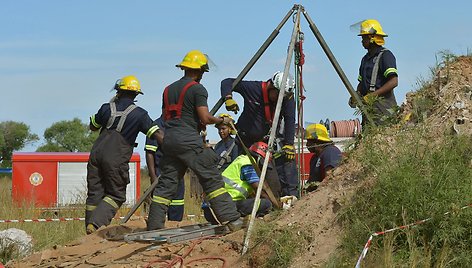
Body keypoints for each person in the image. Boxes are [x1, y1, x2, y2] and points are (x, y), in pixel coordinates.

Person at [147, 50, 242, 231]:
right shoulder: (198, 89)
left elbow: (169, 117)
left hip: (169, 140)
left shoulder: (168, 90)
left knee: (166, 184)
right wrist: (223, 120)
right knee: (211, 177)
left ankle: (154, 225)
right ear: (199, 71)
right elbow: (206, 117)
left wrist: (194, 123)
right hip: (188, 140)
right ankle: (232, 219)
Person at [86, 75, 162, 234]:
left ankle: (89, 229)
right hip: (116, 157)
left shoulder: (106, 108)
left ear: (118, 91)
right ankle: (95, 225)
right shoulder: (140, 114)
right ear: (136, 95)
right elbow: (156, 134)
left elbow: (92, 126)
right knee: (116, 195)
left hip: (96, 154)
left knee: (95, 194)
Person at [221, 72, 298, 198]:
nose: (280, 100)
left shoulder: (287, 96)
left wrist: (289, 144)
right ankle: (243, 204)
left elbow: (290, 120)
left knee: (284, 164)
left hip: (268, 142)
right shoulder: (254, 88)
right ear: (271, 86)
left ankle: (288, 199)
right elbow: (227, 82)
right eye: (278, 95)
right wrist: (228, 98)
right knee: (244, 173)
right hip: (245, 142)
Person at [203, 142, 274, 224]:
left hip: (213, 210)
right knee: (266, 204)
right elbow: (259, 189)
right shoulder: (248, 164)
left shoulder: (241, 160)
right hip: (223, 209)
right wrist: (274, 204)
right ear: (259, 159)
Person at [349, 19, 399, 125]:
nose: (362, 41)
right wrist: (356, 95)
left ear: (372, 38)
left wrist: (372, 96)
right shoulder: (365, 59)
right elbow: (361, 84)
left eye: (364, 38)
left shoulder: (385, 55)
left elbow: (394, 81)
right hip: (369, 110)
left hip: (384, 109)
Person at [145, 116, 185, 221]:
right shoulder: (156, 126)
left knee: (177, 203)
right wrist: (153, 176)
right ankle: (157, 227)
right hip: (161, 175)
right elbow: (150, 152)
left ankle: (175, 227)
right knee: (160, 206)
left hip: (178, 174)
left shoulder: (180, 125)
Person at [304, 124, 342, 191]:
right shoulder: (314, 158)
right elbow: (311, 182)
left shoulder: (330, 152)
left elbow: (330, 179)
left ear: (316, 141)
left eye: (308, 141)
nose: (307, 145)